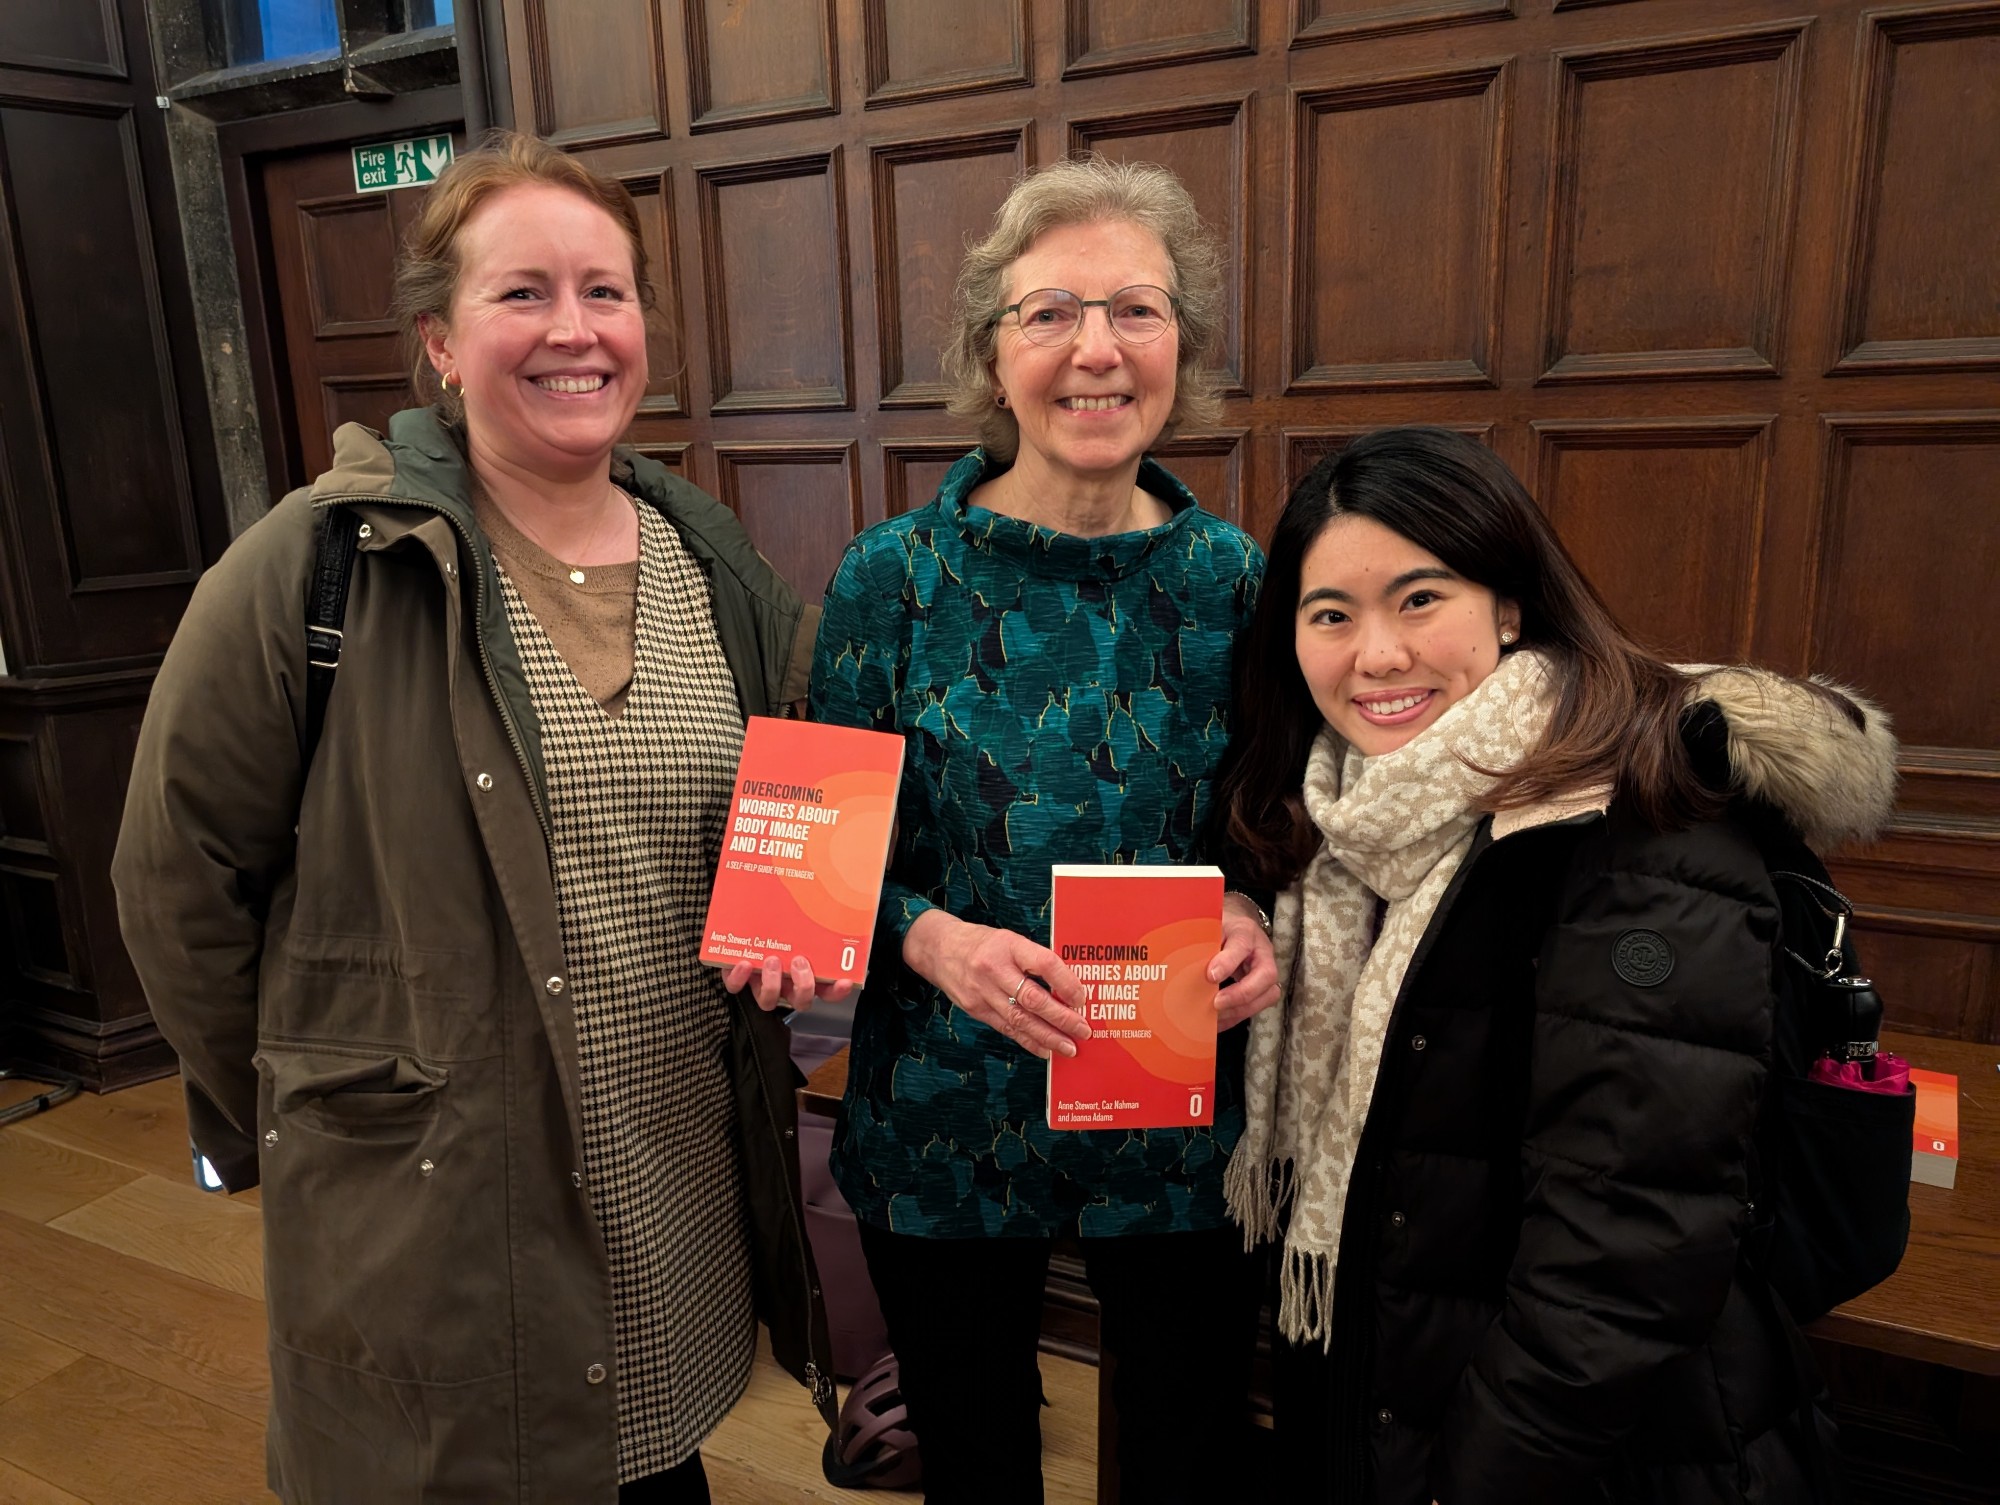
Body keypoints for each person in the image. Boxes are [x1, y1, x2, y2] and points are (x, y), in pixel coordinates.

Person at [111, 131, 835, 1505]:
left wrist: (796, 931)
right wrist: (323, 1105)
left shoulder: (713, 562)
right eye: (522, 293)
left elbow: (775, 835)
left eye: (605, 291)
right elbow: (173, 881)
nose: (575, 329)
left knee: (654, 1464)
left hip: (675, 1176)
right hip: (437, 1204)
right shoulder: (316, 566)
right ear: (440, 341)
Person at [1213, 426, 1898, 1503]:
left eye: (1420, 599)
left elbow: (1623, 1252)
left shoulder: (1642, 818)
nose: (1376, 655)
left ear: (1509, 604)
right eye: (1330, 614)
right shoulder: (1333, 815)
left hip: (1590, 1452)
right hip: (1392, 1395)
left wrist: (1471, 1484)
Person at [795, 156, 1280, 1504]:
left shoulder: (1237, 581)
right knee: (976, 1465)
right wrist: (932, 938)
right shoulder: (890, 577)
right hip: (945, 1108)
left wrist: (1253, 909)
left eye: (1135, 309)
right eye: (1050, 311)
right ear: (991, 354)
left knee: (1183, 1464)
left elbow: (1280, 824)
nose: (1095, 348)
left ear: (1184, 344)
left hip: (1178, 1117)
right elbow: (812, 868)